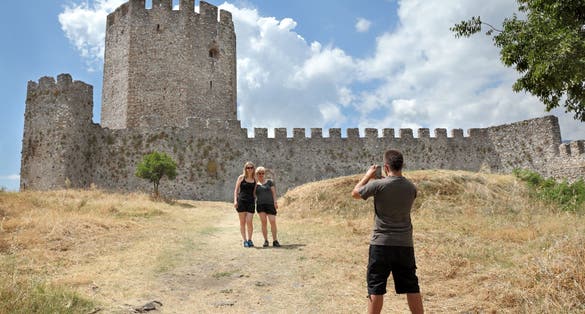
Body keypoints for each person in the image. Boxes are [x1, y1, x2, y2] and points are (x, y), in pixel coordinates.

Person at [351, 149, 424, 314]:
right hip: (405, 244)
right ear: (401, 165)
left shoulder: (378, 185)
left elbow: (355, 193)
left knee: (376, 287)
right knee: (411, 285)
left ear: (386, 166)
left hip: (381, 243)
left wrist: (368, 175)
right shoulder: (411, 187)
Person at [255, 166, 280, 247]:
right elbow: (253, 194)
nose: (261, 175)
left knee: (272, 221)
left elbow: (273, 193)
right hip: (260, 205)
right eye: (259, 173)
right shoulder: (255, 184)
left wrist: (275, 202)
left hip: (270, 204)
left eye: (262, 173)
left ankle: (275, 240)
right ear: (256, 174)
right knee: (264, 222)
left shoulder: (270, 182)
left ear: (264, 174)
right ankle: (266, 240)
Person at [234, 161, 257, 247]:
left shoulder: (255, 179)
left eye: (251, 168)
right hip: (241, 201)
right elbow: (236, 190)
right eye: (248, 168)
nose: (249, 169)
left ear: (253, 169)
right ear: (245, 169)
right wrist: (235, 201)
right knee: (242, 222)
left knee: (249, 221)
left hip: (251, 202)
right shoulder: (241, 177)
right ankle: (245, 241)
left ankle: (250, 239)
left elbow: (254, 192)